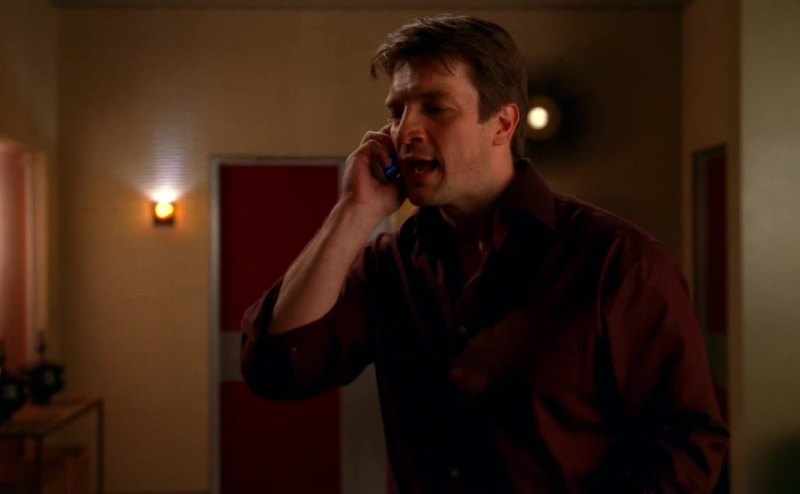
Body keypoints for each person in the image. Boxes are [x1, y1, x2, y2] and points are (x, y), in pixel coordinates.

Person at [240, 14, 729, 493]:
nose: (406, 131)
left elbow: (689, 443)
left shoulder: (617, 261)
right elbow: (275, 368)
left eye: (435, 108)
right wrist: (354, 212)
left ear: (503, 124)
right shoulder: (391, 264)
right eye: (397, 112)